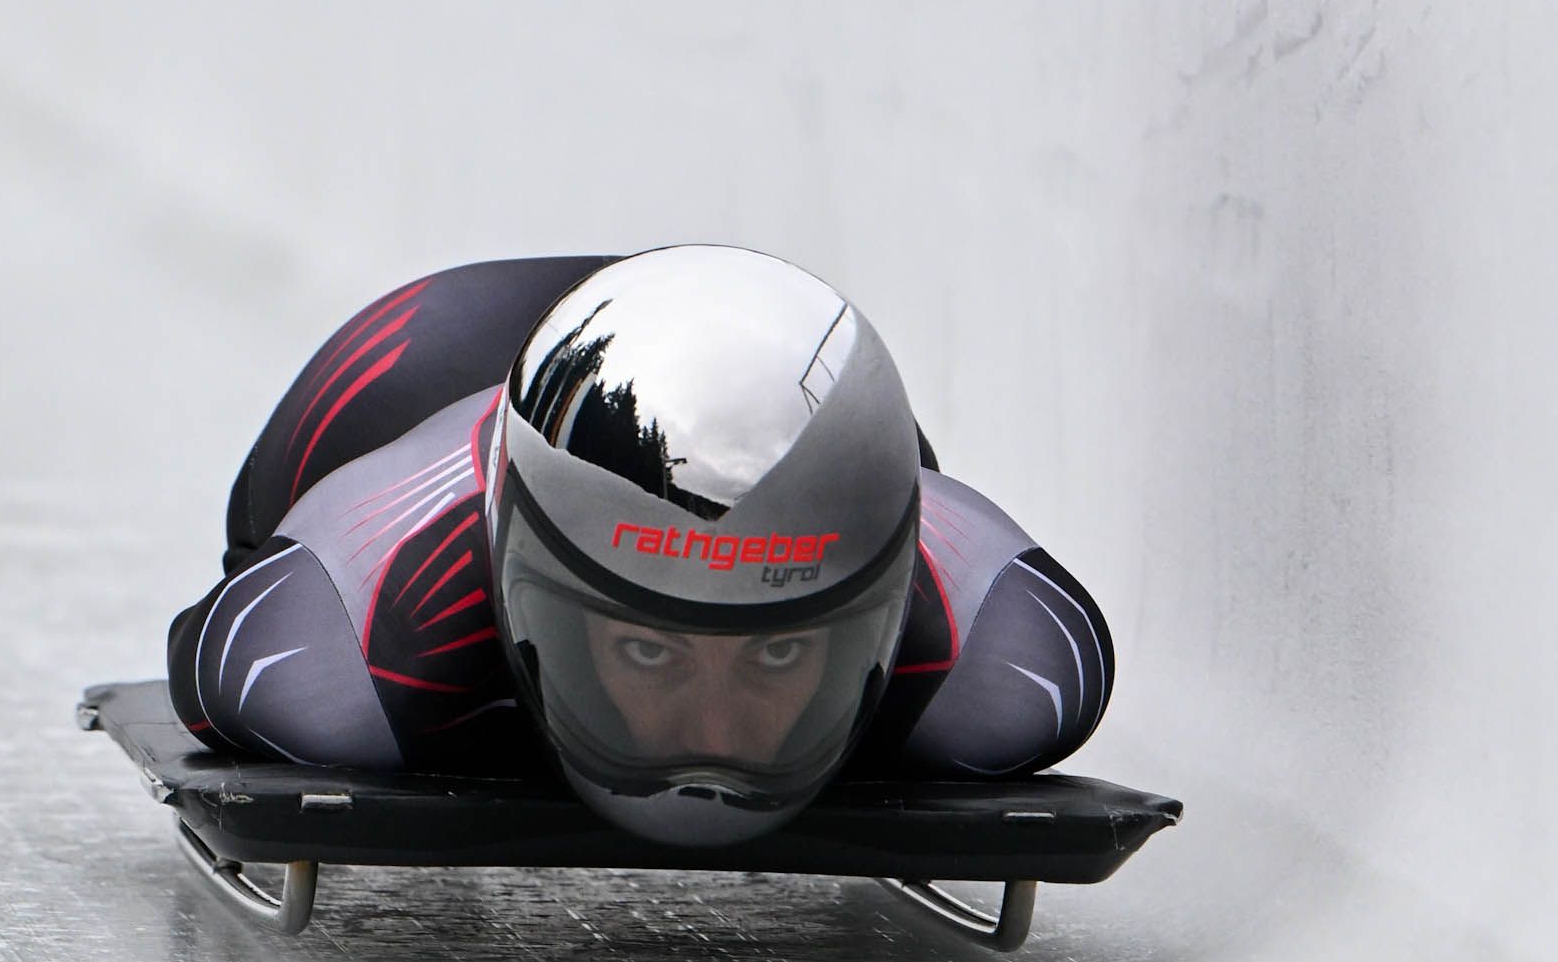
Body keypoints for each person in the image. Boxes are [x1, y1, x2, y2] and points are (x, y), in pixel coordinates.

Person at [168, 246, 1112, 846]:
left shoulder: (1008, 665)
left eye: (779, 651)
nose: (717, 739)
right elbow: (202, 652)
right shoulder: (332, 647)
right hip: (414, 364)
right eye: (649, 649)